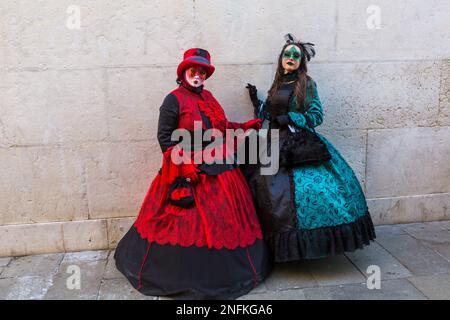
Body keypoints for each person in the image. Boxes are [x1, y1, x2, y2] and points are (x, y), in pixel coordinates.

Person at [114, 48, 271, 300]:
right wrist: (182, 164)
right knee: (184, 222)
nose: (197, 75)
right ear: (183, 73)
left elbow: (221, 126)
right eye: (193, 70)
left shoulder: (208, 96)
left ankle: (227, 272)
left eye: (201, 71)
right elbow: (165, 138)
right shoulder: (173, 99)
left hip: (218, 165)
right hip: (186, 168)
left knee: (224, 219)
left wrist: (244, 126)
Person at [245, 34, 376, 263]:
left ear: (301, 61)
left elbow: (316, 116)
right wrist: (258, 103)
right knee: (267, 190)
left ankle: (303, 247)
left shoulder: (306, 83)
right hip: (274, 142)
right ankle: (274, 248)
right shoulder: (278, 83)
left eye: (296, 55)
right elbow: (269, 115)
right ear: (281, 58)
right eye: (288, 54)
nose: (291, 58)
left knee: (305, 194)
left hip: (298, 144)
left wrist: (293, 117)